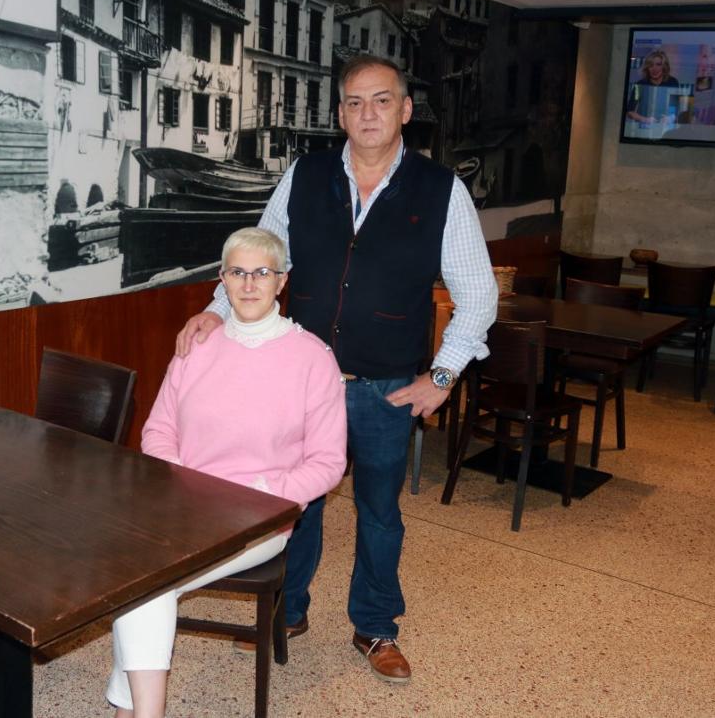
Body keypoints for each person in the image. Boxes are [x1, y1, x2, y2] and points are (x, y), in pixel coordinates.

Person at [175, 54, 497, 683]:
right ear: (341, 114)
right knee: (295, 504)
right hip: (303, 384)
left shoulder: (441, 190)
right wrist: (216, 311)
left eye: (382, 100)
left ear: (406, 110)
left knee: (379, 513)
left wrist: (441, 377)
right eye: (354, 102)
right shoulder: (306, 175)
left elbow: (479, 296)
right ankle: (287, 612)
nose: (367, 113)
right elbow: (260, 257)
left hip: (387, 389)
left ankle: (375, 627)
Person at [107, 227, 347, 718]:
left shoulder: (313, 358)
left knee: (147, 580)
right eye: (238, 272)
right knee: (136, 572)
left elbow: (328, 464)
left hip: (259, 518)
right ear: (222, 279)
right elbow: (158, 430)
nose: (250, 284)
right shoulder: (196, 347)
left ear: (282, 281)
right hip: (183, 506)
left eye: (262, 273)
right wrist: (182, 479)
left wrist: (263, 493)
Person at [625, 49, 680, 125]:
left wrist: (671, 118)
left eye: (658, 64)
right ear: (647, 68)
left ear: (664, 67)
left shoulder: (673, 83)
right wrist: (644, 119)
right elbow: (630, 111)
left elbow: (678, 110)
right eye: (651, 65)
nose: (654, 68)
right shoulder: (640, 85)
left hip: (666, 127)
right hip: (644, 128)